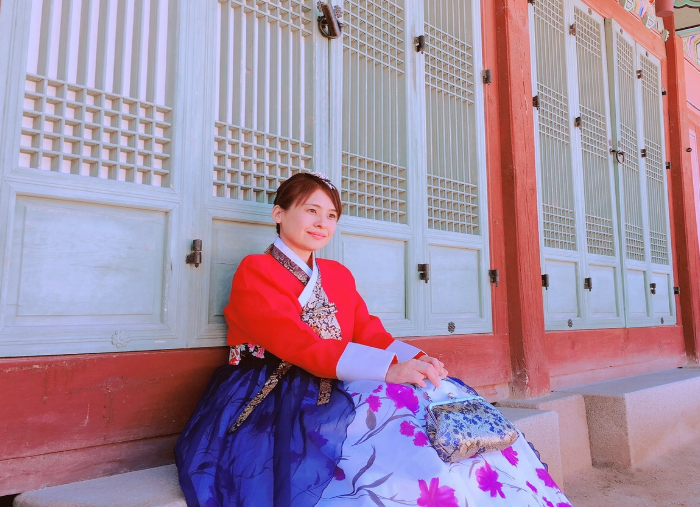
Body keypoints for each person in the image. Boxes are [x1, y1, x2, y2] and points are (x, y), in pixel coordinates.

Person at [175, 172, 573, 506]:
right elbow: (298, 344)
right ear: (279, 214)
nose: (322, 222)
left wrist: (418, 360)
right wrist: (388, 371)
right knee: (393, 418)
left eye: (331, 215)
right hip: (276, 386)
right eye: (311, 210)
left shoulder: (337, 274)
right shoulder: (256, 270)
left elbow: (368, 332)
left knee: (438, 393)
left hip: (339, 373)